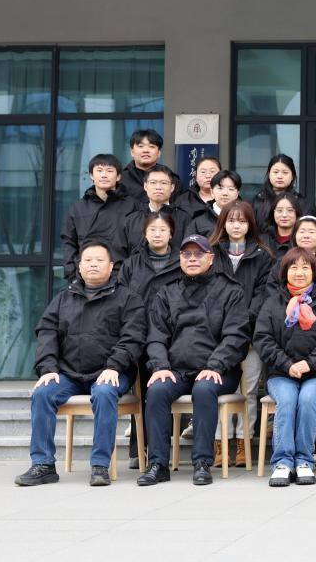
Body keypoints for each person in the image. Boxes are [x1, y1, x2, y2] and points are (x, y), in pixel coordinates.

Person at [16, 242, 147, 487]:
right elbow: (46, 333)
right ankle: (43, 465)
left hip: (111, 372)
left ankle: (100, 465)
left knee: (104, 392)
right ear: (79, 266)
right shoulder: (63, 299)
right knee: (43, 392)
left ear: (111, 266)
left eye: (99, 260)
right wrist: (48, 368)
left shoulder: (128, 299)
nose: (93, 265)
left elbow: (133, 338)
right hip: (70, 374)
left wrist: (114, 366)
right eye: (88, 260)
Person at [139, 235, 250, 486]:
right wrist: (160, 366)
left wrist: (215, 365)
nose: (192, 259)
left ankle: (202, 462)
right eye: (186, 254)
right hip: (176, 370)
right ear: (179, 259)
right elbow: (155, 336)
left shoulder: (230, 290)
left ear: (210, 259)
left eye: (198, 254)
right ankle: (157, 464)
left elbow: (236, 336)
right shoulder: (167, 292)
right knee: (156, 390)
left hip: (219, 370)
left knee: (204, 388)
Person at [256, 247, 316, 487]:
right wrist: (288, 365)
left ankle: (304, 460)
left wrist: (309, 363)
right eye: (293, 267)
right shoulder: (272, 303)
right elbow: (263, 340)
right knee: (287, 400)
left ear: (314, 272)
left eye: (305, 267)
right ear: (284, 272)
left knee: (307, 399)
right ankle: (283, 462)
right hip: (281, 373)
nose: (299, 272)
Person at [209, 200, 275, 466]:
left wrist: (242, 326)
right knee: (218, 390)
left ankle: (242, 442)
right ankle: (220, 442)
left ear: (250, 225)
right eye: (231, 220)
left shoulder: (262, 255)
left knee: (248, 391)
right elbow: (209, 294)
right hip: (217, 337)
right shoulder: (211, 253)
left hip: (251, 335)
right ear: (223, 223)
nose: (236, 226)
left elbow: (263, 295)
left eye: (242, 221)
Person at [117, 212, 184, 469]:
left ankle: (163, 450)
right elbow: (120, 299)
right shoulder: (132, 264)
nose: (157, 234)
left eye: (162, 229)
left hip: (173, 337)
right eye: (152, 230)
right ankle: (139, 449)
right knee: (142, 393)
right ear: (144, 233)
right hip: (139, 335)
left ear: (171, 233)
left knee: (162, 392)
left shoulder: (181, 261)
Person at [60, 153, 138, 279]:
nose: (104, 175)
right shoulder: (78, 208)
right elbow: (69, 242)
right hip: (85, 278)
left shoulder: (132, 206)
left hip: (121, 278)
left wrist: (130, 277)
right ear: (91, 175)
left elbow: (137, 246)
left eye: (109, 171)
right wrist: (72, 275)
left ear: (118, 176)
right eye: (99, 170)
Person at [119, 166, 190, 257]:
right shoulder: (131, 220)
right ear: (145, 186)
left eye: (163, 183)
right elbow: (120, 253)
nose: (158, 187)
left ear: (172, 187)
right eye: (153, 182)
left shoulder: (184, 218)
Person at [118, 129, 183, 204]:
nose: (146, 150)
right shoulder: (120, 180)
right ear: (132, 152)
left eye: (151, 146)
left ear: (159, 153)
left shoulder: (172, 179)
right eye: (140, 146)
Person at [251, 154, 310, 230]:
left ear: (292, 176)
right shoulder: (259, 200)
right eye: (275, 172)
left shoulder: (301, 202)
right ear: (269, 174)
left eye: (285, 172)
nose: (279, 176)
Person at [173, 156, 222, 238]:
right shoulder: (183, 200)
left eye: (212, 171)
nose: (208, 175)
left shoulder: (230, 198)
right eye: (203, 172)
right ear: (195, 176)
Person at [264, 193, 302, 258]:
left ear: (297, 213)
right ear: (273, 213)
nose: (284, 215)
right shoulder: (263, 241)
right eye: (279, 210)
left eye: (290, 210)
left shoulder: (302, 240)